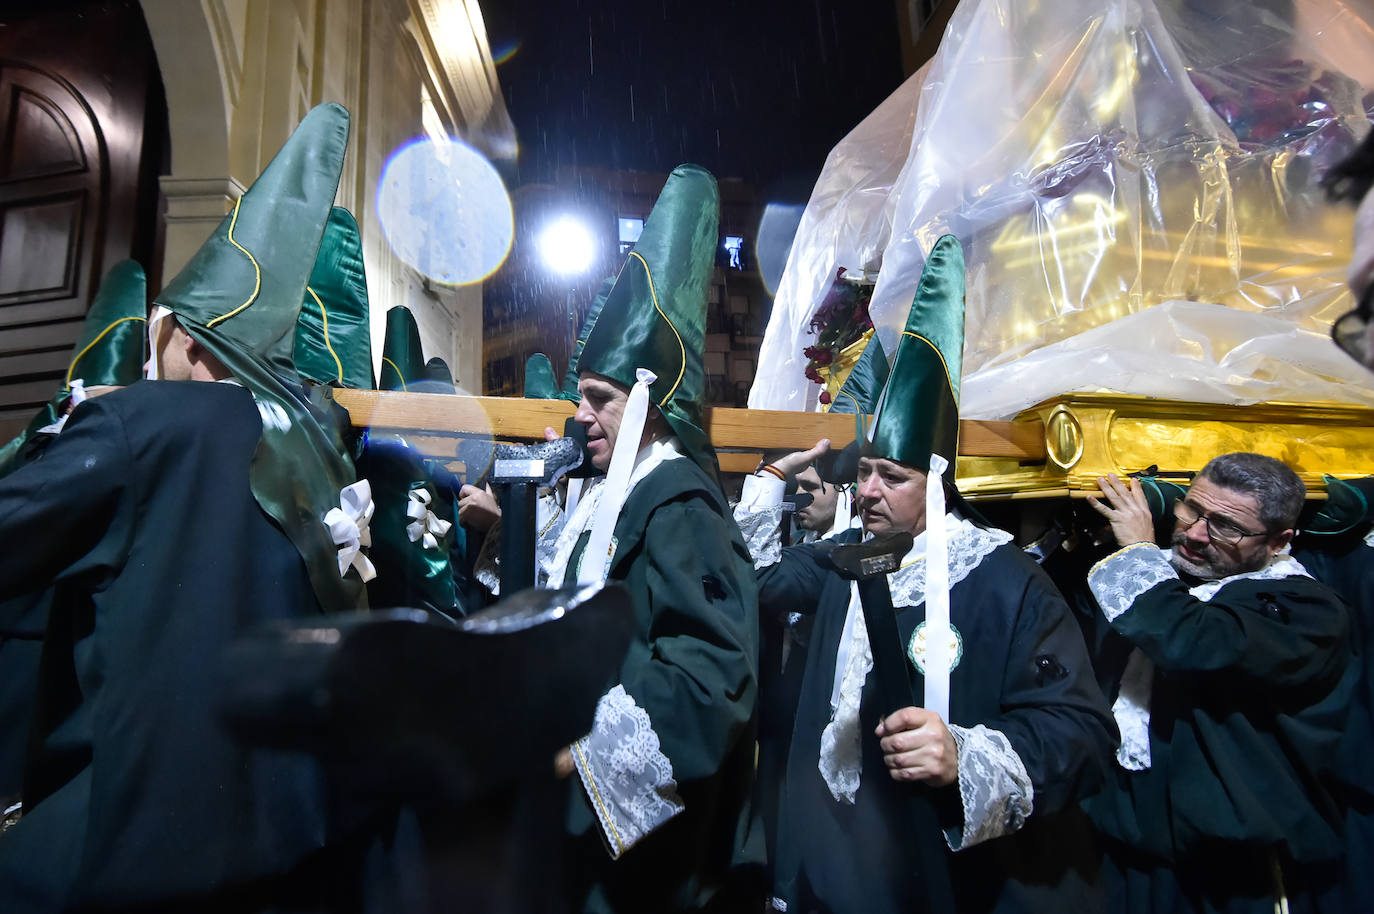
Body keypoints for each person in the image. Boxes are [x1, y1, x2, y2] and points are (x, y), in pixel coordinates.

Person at [0, 103, 372, 912]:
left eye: (158, 338)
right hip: (299, 847)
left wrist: (64, 419)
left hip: (138, 849)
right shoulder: (323, 443)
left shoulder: (151, 421)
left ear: (194, 341)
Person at [739, 235, 1117, 914]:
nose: (872, 491)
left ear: (938, 482)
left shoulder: (1004, 584)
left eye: (894, 477)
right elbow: (762, 583)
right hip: (842, 860)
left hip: (944, 874)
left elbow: (1081, 735)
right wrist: (768, 486)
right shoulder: (849, 556)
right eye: (864, 475)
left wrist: (965, 756)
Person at [482, 165, 762, 912]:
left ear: (650, 403)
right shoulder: (615, 494)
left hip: (644, 845)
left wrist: (585, 750)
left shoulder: (678, 506)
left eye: (600, 400)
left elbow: (712, 675)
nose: (581, 417)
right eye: (582, 398)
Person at [1085, 453, 1356, 913]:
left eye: (1226, 527)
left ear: (1279, 541)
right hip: (1128, 856)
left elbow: (1192, 641)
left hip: (1231, 876)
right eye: (1192, 510)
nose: (1193, 534)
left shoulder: (1306, 612)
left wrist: (1137, 550)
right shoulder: (1172, 580)